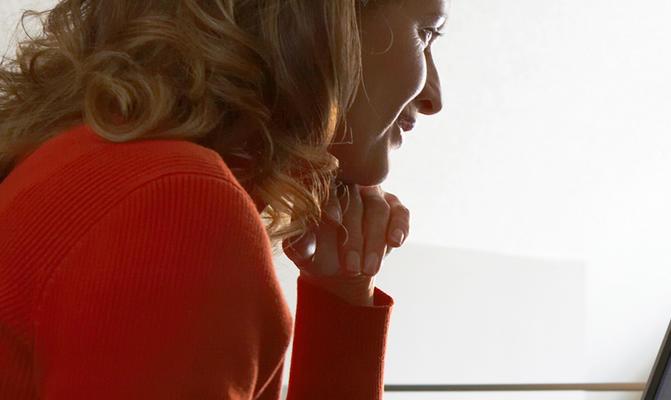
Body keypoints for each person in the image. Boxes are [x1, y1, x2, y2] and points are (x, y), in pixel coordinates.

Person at [0, 0, 446, 398]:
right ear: (328, 18)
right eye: (425, 34)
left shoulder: (102, 170)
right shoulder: (175, 206)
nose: (434, 98)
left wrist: (343, 300)